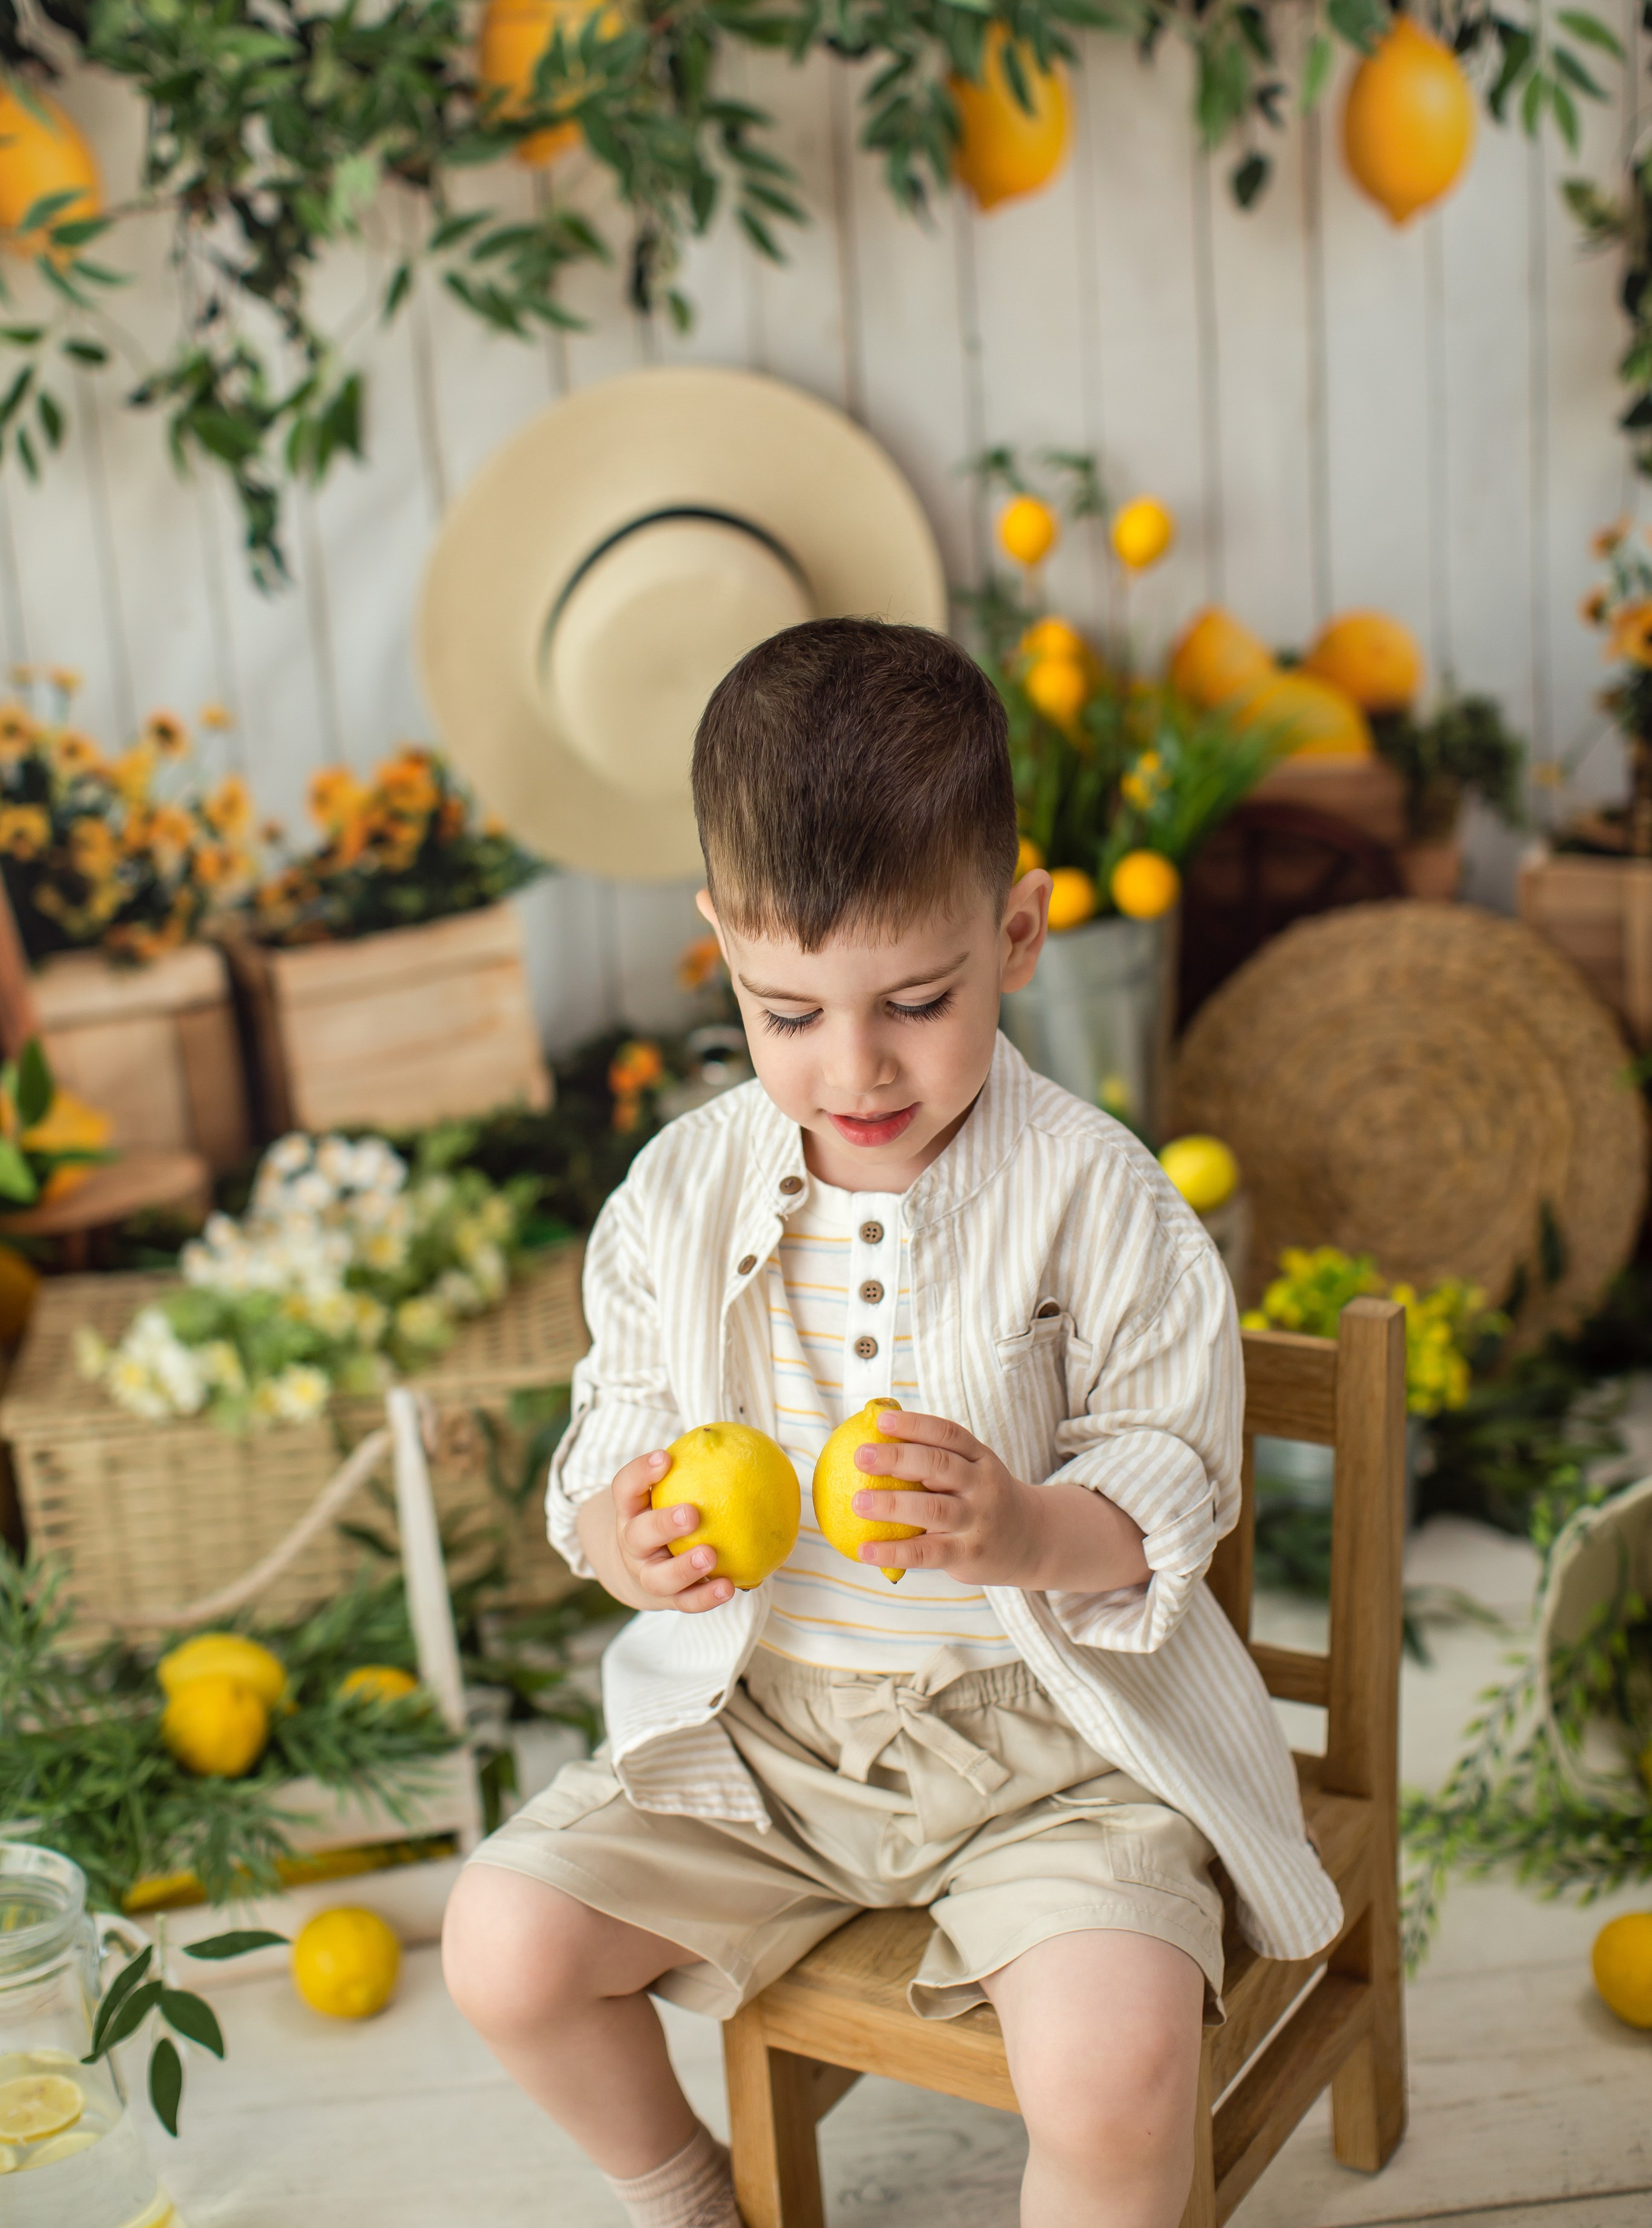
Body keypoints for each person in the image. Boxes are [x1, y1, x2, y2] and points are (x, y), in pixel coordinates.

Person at [442, 619, 1341, 2228]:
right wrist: (619, 1535)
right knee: (501, 1949)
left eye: (913, 1002)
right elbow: (617, 1417)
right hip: (765, 1737)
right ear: (721, 945)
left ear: (1014, 930)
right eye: (785, 1013)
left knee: (1116, 2074)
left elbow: (1170, 1466)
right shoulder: (679, 1189)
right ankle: (683, 2197)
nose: (849, 1068)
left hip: (1049, 1744)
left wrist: (1023, 1529)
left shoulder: (1096, 1196)